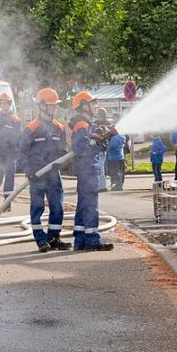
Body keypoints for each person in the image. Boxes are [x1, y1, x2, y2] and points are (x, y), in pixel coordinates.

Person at [18, 88, 71, 253]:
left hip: (54, 175)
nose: (54, 108)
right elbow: (21, 153)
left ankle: (54, 238)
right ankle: (40, 239)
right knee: (37, 207)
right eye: (51, 105)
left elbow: (62, 151)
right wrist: (29, 172)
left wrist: (61, 163)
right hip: (37, 175)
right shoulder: (31, 128)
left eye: (55, 105)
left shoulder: (59, 128)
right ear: (42, 106)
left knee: (57, 207)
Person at [69, 91, 113, 252]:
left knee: (82, 205)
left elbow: (85, 143)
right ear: (83, 105)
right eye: (92, 103)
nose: (96, 106)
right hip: (88, 169)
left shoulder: (84, 123)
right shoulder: (82, 124)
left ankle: (80, 240)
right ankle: (92, 240)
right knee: (90, 205)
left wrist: (98, 137)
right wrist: (99, 145)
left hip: (84, 169)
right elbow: (81, 148)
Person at [0, 92, 21, 211]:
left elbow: (19, 138)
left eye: (5, 103)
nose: (3, 105)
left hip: (11, 154)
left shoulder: (15, 119)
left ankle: (7, 205)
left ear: (9, 104)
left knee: (9, 180)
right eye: (1, 103)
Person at [106, 127, 127, 191]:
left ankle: (117, 186)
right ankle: (120, 184)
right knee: (120, 172)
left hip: (113, 158)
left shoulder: (114, 139)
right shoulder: (122, 137)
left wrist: (107, 142)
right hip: (121, 157)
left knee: (114, 172)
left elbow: (110, 147)